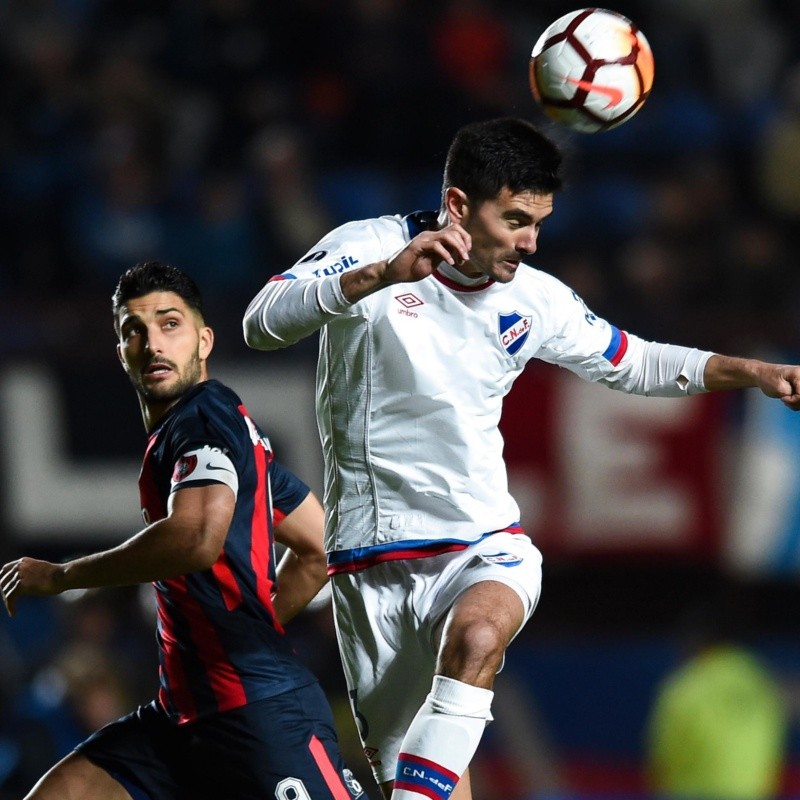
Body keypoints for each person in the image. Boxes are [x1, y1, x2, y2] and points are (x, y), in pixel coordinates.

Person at [241, 117, 800, 800]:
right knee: (418, 779)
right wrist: (379, 277)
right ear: (456, 206)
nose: (531, 242)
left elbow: (636, 361)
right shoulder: (369, 245)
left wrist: (754, 371)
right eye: (515, 220)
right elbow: (261, 320)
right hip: (372, 566)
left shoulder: (535, 299)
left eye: (539, 222)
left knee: (479, 638)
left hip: (482, 544)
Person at [0, 261, 367, 800]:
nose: (152, 343)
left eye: (170, 324)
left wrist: (61, 576)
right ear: (120, 350)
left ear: (204, 339)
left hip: (258, 721)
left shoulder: (203, 417)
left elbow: (197, 537)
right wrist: (238, 631)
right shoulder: (230, 432)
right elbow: (318, 546)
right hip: (180, 719)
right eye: (134, 330)